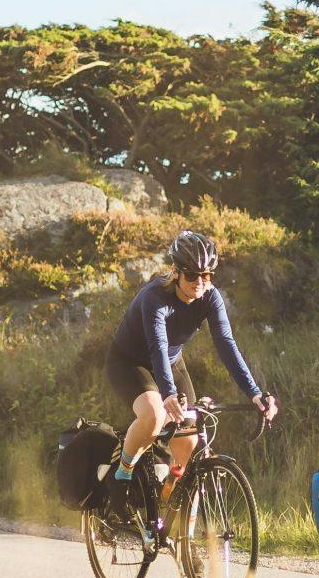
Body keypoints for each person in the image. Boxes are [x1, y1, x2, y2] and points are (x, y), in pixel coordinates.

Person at [101, 229, 279, 539]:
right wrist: (168, 394)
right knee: (155, 416)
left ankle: (172, 527)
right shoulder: (155, 297)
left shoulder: (210, 296)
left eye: (207, 275)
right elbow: (157, 345)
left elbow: (226, 343)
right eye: (193, 275)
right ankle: (121, 477)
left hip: (171, 362)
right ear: (176, 271)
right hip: (130, 362)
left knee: (189, 441)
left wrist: (253, 393)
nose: (201, 283)